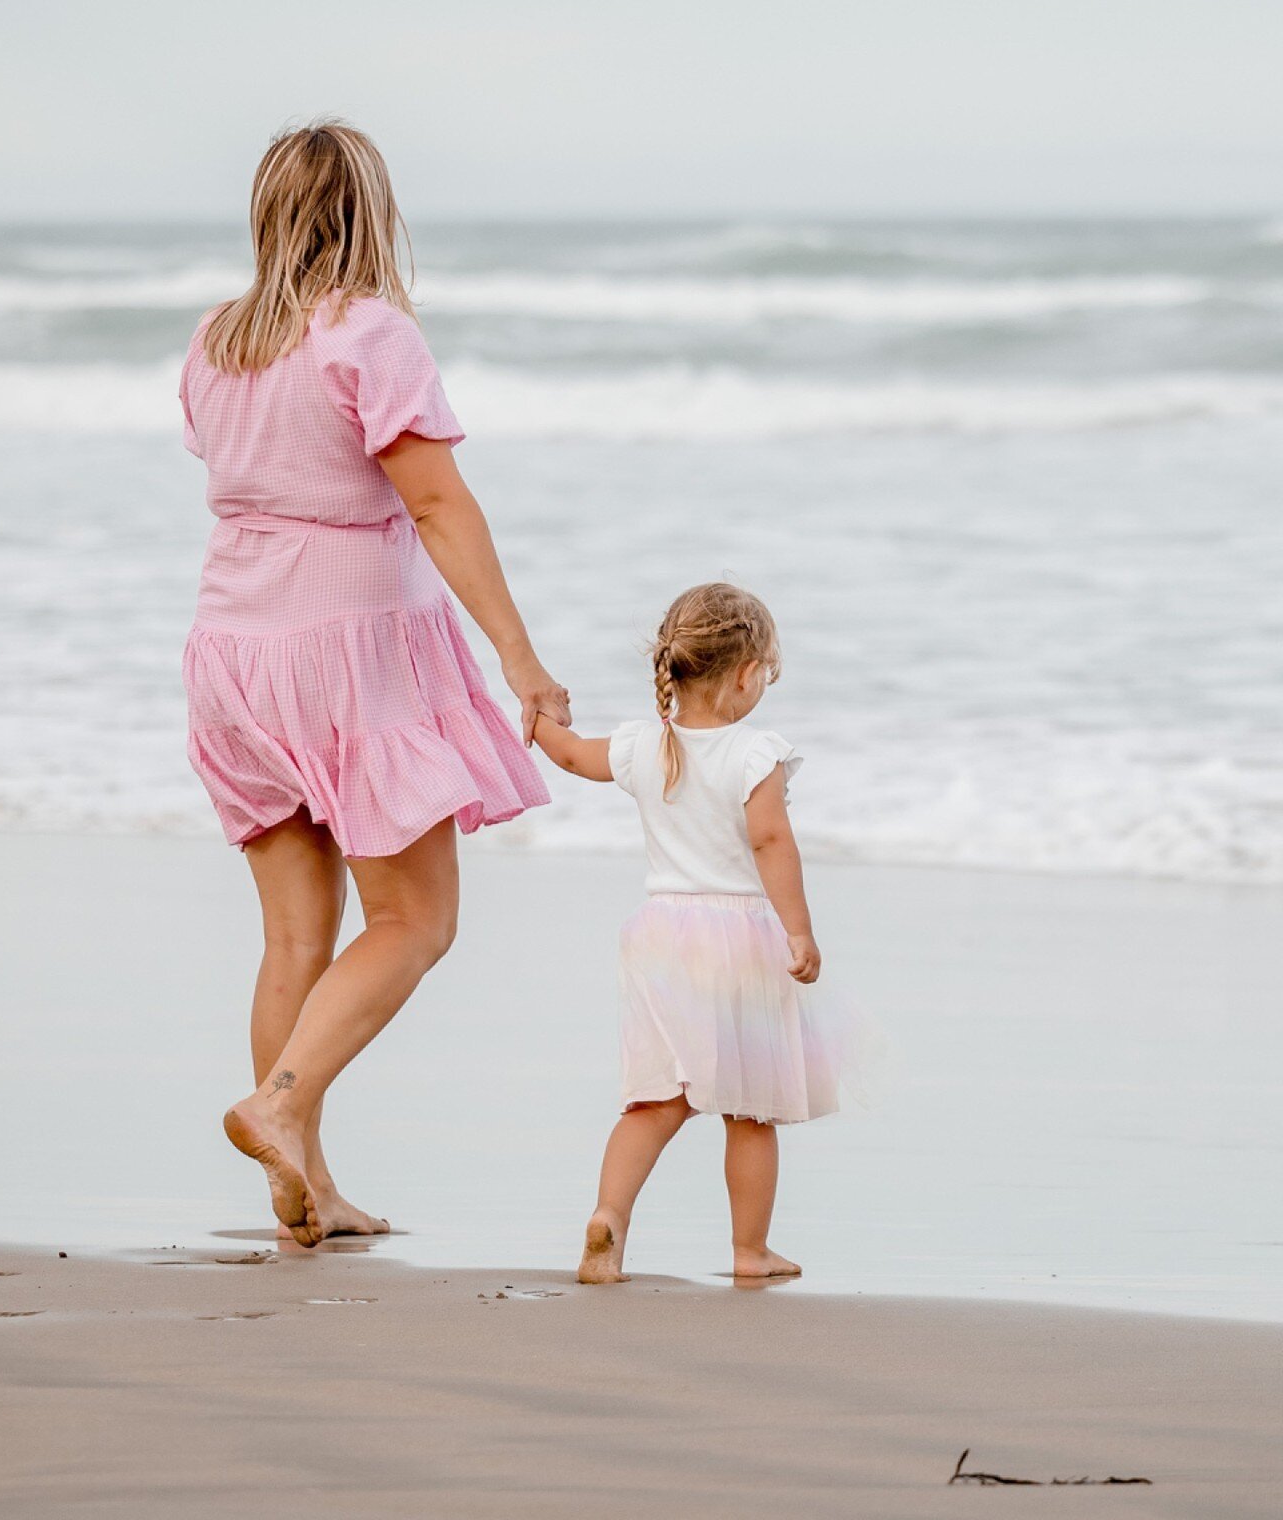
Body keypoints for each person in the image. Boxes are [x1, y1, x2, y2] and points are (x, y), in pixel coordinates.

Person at [179, 122, 569, 1246]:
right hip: (344, 653)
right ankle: (281, 1105)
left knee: (296, 938)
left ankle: (304, 1188)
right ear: (370, 212)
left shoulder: (215, 340)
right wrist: (520, 658)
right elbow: (438, 505)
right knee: (414, 919)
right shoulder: (369, 334)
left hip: (231, 655)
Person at [534, 582, 853, 1283]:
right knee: (750, 1110)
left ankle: (607, 1222)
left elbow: (566, 756)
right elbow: (772, 842)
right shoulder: (754, 754)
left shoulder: (639, 744)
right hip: (739, 940)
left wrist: (544, 716)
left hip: (659, 937)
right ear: (746, 675)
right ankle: (749, 1251)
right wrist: (799, 932)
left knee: (652, 1100)